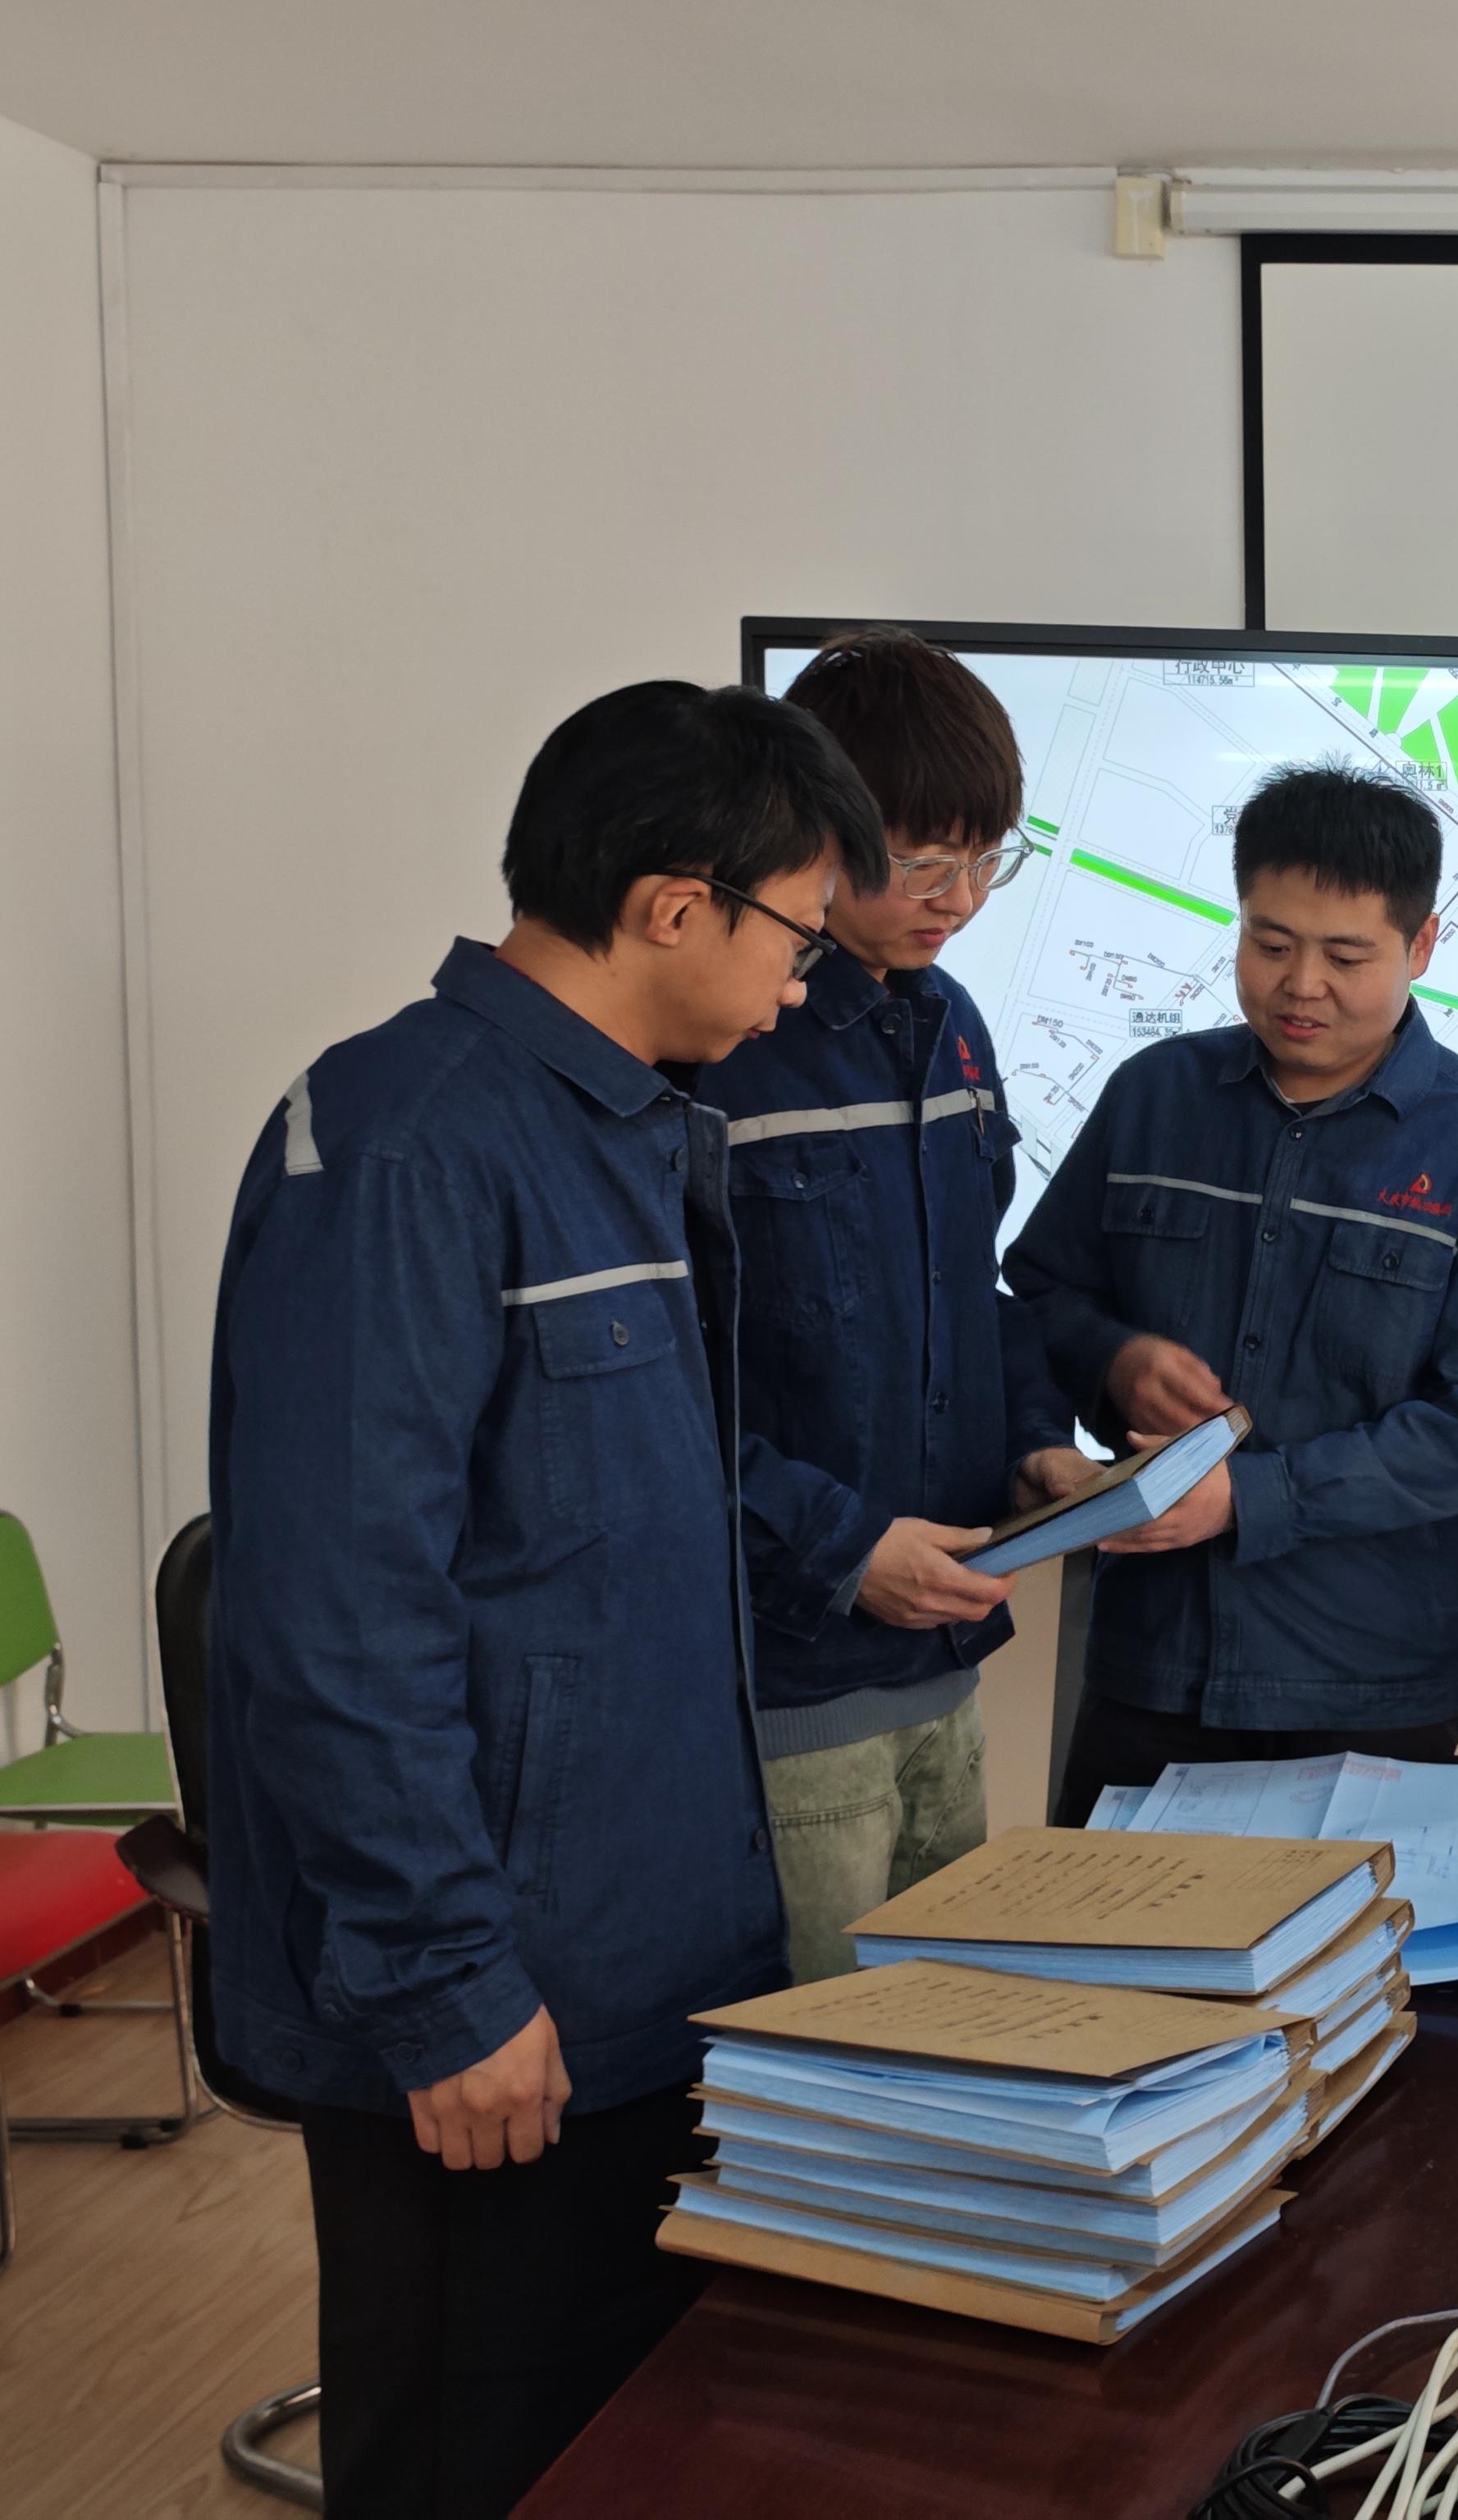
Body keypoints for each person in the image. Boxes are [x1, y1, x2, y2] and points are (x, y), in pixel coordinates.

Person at [207, 682, 884, 2515]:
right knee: (472, 2456)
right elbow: (336, 1614)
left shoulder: (617, 1127)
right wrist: (444, 1986)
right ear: (675, 905)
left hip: (642, 1966)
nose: (799, 988)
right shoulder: (409, 1140)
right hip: (499, 2000)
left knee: (624, 2446)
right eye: (797, 937)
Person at [1007, 763, 1458, 1819]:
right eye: (1269, 944)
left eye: (1345, 956)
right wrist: (1112, 1360)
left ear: (1422, 947)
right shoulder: (1154, 1096)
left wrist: (1250, 1500)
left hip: (1371, 1676)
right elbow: (1038, 1296)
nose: (1301, 984)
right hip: (1153, 1660)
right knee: (1103, 1928)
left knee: (1355, 1933)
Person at [695, 628, 1088, 1983]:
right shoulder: (727, 1043)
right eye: (924, 863)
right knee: (818, 2049)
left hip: (944, 1653)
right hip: (790, 1666)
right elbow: (670, 1387)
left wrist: (1036, 1444)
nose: (961, 898)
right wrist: (845, 1547)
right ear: (820, 830)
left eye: (987, 858)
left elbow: (972, 1285)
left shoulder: (949, 1020)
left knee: (948, 2022)